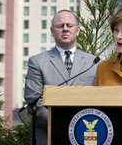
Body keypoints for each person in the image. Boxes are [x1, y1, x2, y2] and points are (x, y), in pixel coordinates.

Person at [24, 9, 99, 145]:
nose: (65, 29)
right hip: (48, 137)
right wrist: (68, 122)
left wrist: (80, 123)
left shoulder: (94, 63)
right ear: (52, 31)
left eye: (69, 25)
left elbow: (99, 100)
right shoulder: (37, 62)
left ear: (77, 30)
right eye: (60, 26)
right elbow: (34, 102)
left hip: (83, 136)